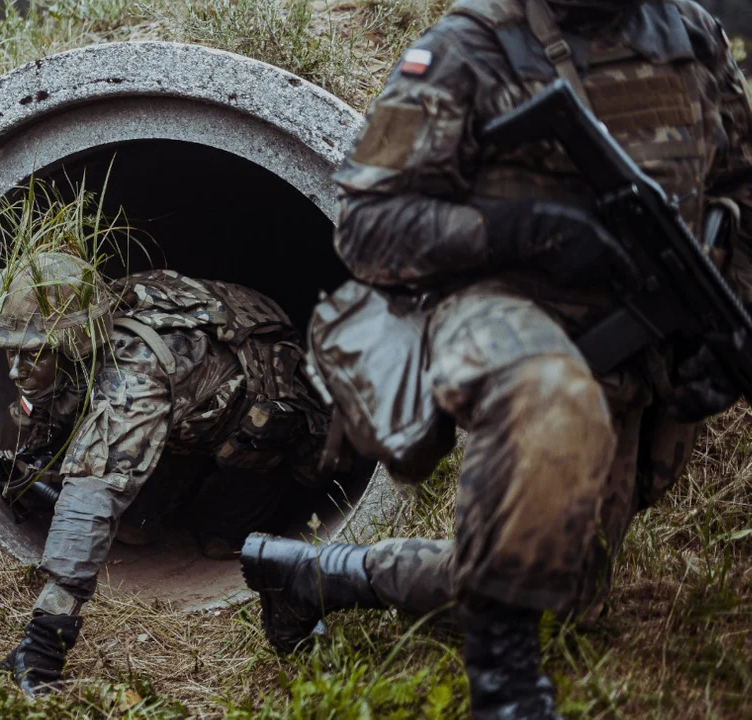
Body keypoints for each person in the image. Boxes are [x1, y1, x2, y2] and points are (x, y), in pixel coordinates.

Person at [240, 0, 752, 717]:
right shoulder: (475, 43)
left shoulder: (690, 33)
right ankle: (506, 690)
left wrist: (727, 318)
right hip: (491, 315)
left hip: (631, 330)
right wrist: (522, 228)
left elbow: (739, 183)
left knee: (557, 583)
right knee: (546, 391)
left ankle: (317, 575)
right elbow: (366, 225)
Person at [0, 252, 336, 696]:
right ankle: (180, 480)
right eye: (10, 352)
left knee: (220, 539)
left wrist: (44, 640)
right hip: (184, 418)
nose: (15, 370)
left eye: (31, 354)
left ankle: (241, 495)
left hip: (257, 419)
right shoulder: (87, 317)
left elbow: (95, 491)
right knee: (135, 530)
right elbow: (45, 413)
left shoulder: (135, 377)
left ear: (73, 345)